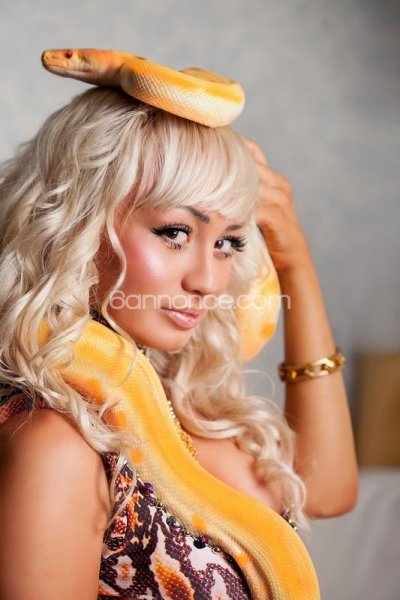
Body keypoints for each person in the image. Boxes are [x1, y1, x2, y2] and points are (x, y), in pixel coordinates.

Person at [0, 81, 358, 599]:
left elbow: (327, 492)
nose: (208, 281)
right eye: (175, 233)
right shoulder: (54, 445)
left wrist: (295, 259)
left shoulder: (171, 400)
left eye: (227, 242)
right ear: (80, 222)